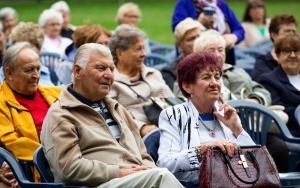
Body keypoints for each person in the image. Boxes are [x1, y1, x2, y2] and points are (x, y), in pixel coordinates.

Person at [40, 43, 184, 188]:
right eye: (101, 68)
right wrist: (119, 172)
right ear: (77, 71)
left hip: (134, 180)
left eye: (111, 69)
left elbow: (142, 153)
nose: (109, 75)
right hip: (98, 184)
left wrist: (147, 169)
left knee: (162, 174)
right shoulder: (61, 114)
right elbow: (68, 168)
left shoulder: (116, 108)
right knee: (161, 176)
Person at [190, 29, 290, 173]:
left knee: (279, 148)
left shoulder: (238, 72)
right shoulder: (192, 78)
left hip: (253, 129)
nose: (218, 55)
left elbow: (262, 91)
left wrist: (254, 100)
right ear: (199, 54)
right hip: (219, 133)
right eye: (212, 50)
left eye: (221, 50)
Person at [157, 51, 255, 184]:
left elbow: (254, 160)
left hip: (234, 183)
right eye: (206, 77)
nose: (214, 83)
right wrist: (201, 151)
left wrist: (236, 128)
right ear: (187, 86)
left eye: (217, 77)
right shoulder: (174, 115)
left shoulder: (226, 113)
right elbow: (165, 163)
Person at [108, 24, 174, 137]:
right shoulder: (110, 81)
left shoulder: (154, 74)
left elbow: (174, 104)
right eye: (138, 49)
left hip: (170, 128)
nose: (144, 54)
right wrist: (141, 127)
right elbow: (113, 115)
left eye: (144, 48)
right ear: (120, 53)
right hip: (137, 136)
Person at [0, 41, 61, 162]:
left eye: (38, 69)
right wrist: (53, 155)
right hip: (38, 170)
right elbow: (12, 142)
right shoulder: (2, 102)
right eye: (29, 70)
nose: (36, 75)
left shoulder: (57, 94)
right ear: (9, 73)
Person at [172, 0, 244, 65]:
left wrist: (232, 37)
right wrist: (199, 22)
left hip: (224, 61)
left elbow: (240, 29)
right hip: (192, 62)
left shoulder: (220, 4)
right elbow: (178, 31)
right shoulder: (185, 3)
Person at [258, 33, 300, 137]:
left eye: (297, 50)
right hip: (290, 133)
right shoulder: (268, 80)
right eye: (287, 51)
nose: (293, 55)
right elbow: (280, 111)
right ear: (278, 55)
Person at [0, 22, 54, 86]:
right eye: (28, 69)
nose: (36, 75)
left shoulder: (50, 74)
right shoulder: (2, 78)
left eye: (38, 69)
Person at [161, 18, 205, 90]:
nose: (198, 41)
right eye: (191, 39)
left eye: (200, 37)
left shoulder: (213, 66)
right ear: (180, 46)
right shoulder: (169, 73)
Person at [252, 13, 297, 82]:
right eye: (287, 32)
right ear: (274, 35)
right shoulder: (263, 63)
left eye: (294, 32)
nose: (292, 35)